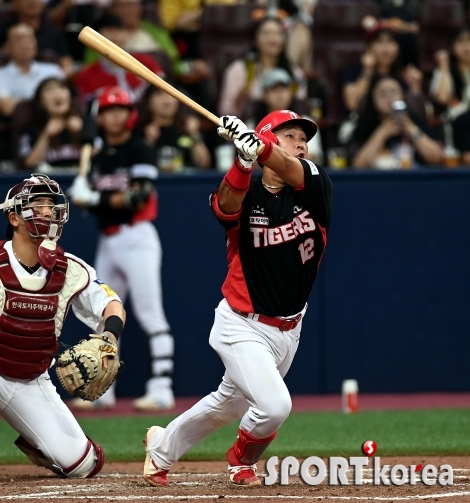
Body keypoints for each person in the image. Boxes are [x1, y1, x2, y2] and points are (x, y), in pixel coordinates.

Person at [142, 110, 332, 487]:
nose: (301, 144)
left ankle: (160, 449)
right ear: (266, 137)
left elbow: (287, 166)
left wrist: (259, 148)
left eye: (303, 138)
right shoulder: (247, 192)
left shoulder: (314, 183)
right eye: (290, 135)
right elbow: (227, 206)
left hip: (290, 327)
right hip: (241, 324)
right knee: (274, 406)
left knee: (227, 402)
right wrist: (244, 162)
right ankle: (241, 460)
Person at [0, 173, 125, 477]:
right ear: (14, 218)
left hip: (29, 379)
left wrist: (108, 337)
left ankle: (34, 439)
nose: (47, 212)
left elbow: (112, 304)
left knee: (84, 465)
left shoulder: (72, 269)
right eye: (37, 205)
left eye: (51, 205)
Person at [67, 86, 175, 411]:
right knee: (103, 314)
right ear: (100, 117)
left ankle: (162, 387)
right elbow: (100, 206)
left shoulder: (140, 148)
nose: (115, 116)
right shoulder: (96, 157)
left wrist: (94, 198)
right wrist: (84, 197)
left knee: (149, 312)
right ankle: (103, 389)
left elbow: (137, 197)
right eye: (109, 110)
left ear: (130, 115)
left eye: (121, 110)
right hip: (108, 240)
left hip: (137, 237)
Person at [218, 16, 307, 118]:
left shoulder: (295, 73)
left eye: (278, 33)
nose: (273, 38)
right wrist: (240, 98)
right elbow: (225, 112)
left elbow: (301, 107)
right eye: (266, 33)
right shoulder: (238, 70)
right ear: (254, 39)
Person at [349, 75, 442, 169]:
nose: (389, 99)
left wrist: (410, 128)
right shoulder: (365, 126)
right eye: (382, 94)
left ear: (403, 95)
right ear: (372, 99)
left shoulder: (414, 121)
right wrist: (382, 132)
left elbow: (436, 158)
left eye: (393, 92)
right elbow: (358, 165)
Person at [74, 14, 163, 104]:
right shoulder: (87, 75)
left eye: (118, 31)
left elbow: (162, 93)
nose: (114, 36)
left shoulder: (147, 63)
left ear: (126, 34)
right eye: (109, 31)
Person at [244, 67, 324, 165]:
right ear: (264, 95)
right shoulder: (252, 126)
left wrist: (270, 158)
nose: (280, 95)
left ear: (291, 93)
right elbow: (248, 162)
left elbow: (312, 157)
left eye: (284, 89)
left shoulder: (305, 122)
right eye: (275, 90)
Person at [342, 27, 422, 114]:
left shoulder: (403, 75)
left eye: (390, 42)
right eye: (380, 42)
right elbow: (352, 105)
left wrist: (415, 87)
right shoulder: (356, 71)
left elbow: (415, 112)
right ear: (369, 47)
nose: (386, 48)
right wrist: (367, 71)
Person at [137, 86, 211, 171]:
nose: (167, 100)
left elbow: (204, 164)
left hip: (184, 182)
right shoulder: (140, 131)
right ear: (148, 102)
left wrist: (194, 134)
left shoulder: (186, 129)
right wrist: (149, 142)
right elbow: (139, 167)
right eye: (159, 94)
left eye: (171, 94)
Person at [0, 24, 64, 118]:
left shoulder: (53, 70)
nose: (25, 43)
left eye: (29, 38)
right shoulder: (2, 75)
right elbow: (7, 107)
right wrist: (46, 101)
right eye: (19, 39)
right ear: (7, 47)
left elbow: (67, 101)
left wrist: (20, 101)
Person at [18, 77, 82, 169]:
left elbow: (99, 158)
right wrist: (45, 135)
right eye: (49, 90)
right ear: (40, 102)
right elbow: (29, 163)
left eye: (61, 88)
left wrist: (83, 133)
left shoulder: (84, 124)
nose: (57, 94)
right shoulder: (31, 129)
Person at [0, 0, 74, 78]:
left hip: (47, 80)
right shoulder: (5, 30)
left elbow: (67, 62)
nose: (32, 2)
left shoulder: (54, 31)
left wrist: (59, 78)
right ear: (15, 4)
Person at [430, 26, 470, 165]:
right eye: (461, 42)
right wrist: (444, 65)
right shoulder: (445, 70)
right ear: (452, 47)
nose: (467, 47)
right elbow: (442, 98)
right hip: (456, 124)